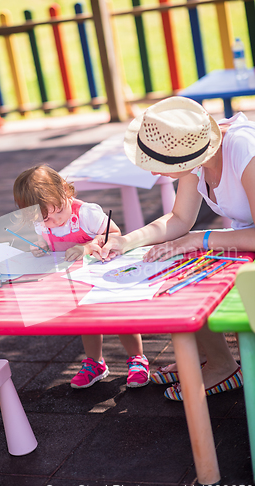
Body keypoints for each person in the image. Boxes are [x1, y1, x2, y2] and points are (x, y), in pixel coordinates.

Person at [91, 96, 255, 401]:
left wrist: (201, 239)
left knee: (192, 259)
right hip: (245, 242)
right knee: (180, 266)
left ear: (184, 158)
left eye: (160, 165)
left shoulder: (244, 149)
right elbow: (180, 219)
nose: (154, 173)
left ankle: (222, 365)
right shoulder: (198, 153)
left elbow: (196, 232)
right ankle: (212, 358)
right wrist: (125, 241)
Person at [13, 164, 150, 389]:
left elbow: (114, 234)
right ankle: (95, 362)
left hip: (105, 273)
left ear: (66, 191)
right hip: (77, 279)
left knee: (120, 317)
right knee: (87, 320)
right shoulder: (43, 221)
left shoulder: (86, 213)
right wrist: (40, 247)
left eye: (58, 211)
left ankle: (137, 358)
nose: (54, 221)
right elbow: (49, 242)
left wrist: (87, 246)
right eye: (46, 219)